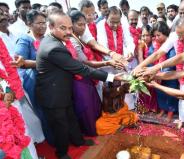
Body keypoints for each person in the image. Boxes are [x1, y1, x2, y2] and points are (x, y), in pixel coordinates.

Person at [35, 11, 122, 159]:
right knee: (60, 126)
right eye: (63, 28)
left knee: (71, 117)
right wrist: (111, 77)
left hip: (61, 90)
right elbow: (81, 69)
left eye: (70, 28)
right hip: (53, 96)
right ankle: (61, 153)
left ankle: (78, 140)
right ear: (51, 27)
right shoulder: (53, 48)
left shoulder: (55, 41)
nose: (69, 32)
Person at [134, 17, 184, 123]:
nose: (180, 39)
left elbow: (182, 57)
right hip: (183, 72)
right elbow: (159, 53)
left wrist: (156, 68)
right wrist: (139, 67)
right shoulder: (175, 35)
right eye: (178, 36)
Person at [68, 10, 124, 136]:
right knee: (86, 109)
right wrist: (108, 63)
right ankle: (91, 133)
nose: (83, 28)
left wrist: (111, 56)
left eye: (84, 25)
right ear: (71, 25)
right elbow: (85, 63)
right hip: (79, 80)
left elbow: (94, 46)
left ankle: (97, 130)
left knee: (94, 106)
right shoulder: (72, 41)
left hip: (87, 78)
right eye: (80, 25)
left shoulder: (80, 37)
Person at [14, 9, 53, 144]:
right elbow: (19, 61)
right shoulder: (24, 39)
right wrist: (44, 64)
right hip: (34, 81)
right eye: (39, 23)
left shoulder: (46, 38)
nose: (43, 26)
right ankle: (52, 139)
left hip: (49, 80)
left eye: (44, 22)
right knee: (44, 111)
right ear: (29, 24)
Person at [96, 6, 137, 109]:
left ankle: (128, 110)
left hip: (122, 64)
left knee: (125, 88)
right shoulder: (100, 26)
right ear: (106, 18)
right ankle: (110, 112)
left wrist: (130, 52)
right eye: (112, 22)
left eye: (117, 22)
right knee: (109, 91)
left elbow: (129, 41)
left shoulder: (123, 25)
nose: (115, 25)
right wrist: (114, 60)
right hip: (108, 64)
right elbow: (102, 46)